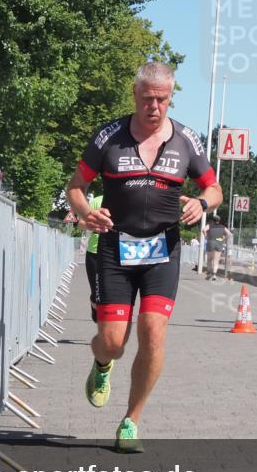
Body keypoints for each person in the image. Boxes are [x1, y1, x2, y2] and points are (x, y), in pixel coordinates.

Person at [66, 61, 222, 452]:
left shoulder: (187, 140)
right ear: (135, 95)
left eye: (163, 100)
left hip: (161, 251)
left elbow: (214, 188)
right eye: (148, 98)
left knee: (152, 333)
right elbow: (76, 187)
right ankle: (103, 364)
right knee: (114, 342)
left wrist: (201, 204)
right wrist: (87, 213)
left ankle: (131, 421)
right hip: (115, 248)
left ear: (171, 98)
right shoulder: (108, 137)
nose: (155, 107)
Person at [81, 193, 104, 322]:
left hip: (117, 253)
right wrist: (95, 225)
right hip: (95, 252)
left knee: (111, 295)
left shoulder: (126, 199)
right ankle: (94, 307)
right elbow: (81, 224)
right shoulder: (96, 201)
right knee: (97, 295)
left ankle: (106, 329)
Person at [202, 213, 231, 281]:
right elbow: (229, 233)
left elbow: (203, 230)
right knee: (216, 260)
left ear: (213, 220)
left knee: (209, 259)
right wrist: (224, 238)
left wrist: (206, 236)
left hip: (210, 242)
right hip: (219, 242)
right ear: (219, 220)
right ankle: (214, 275)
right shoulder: (222, 227)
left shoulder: (209, 225)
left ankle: (209, 273)